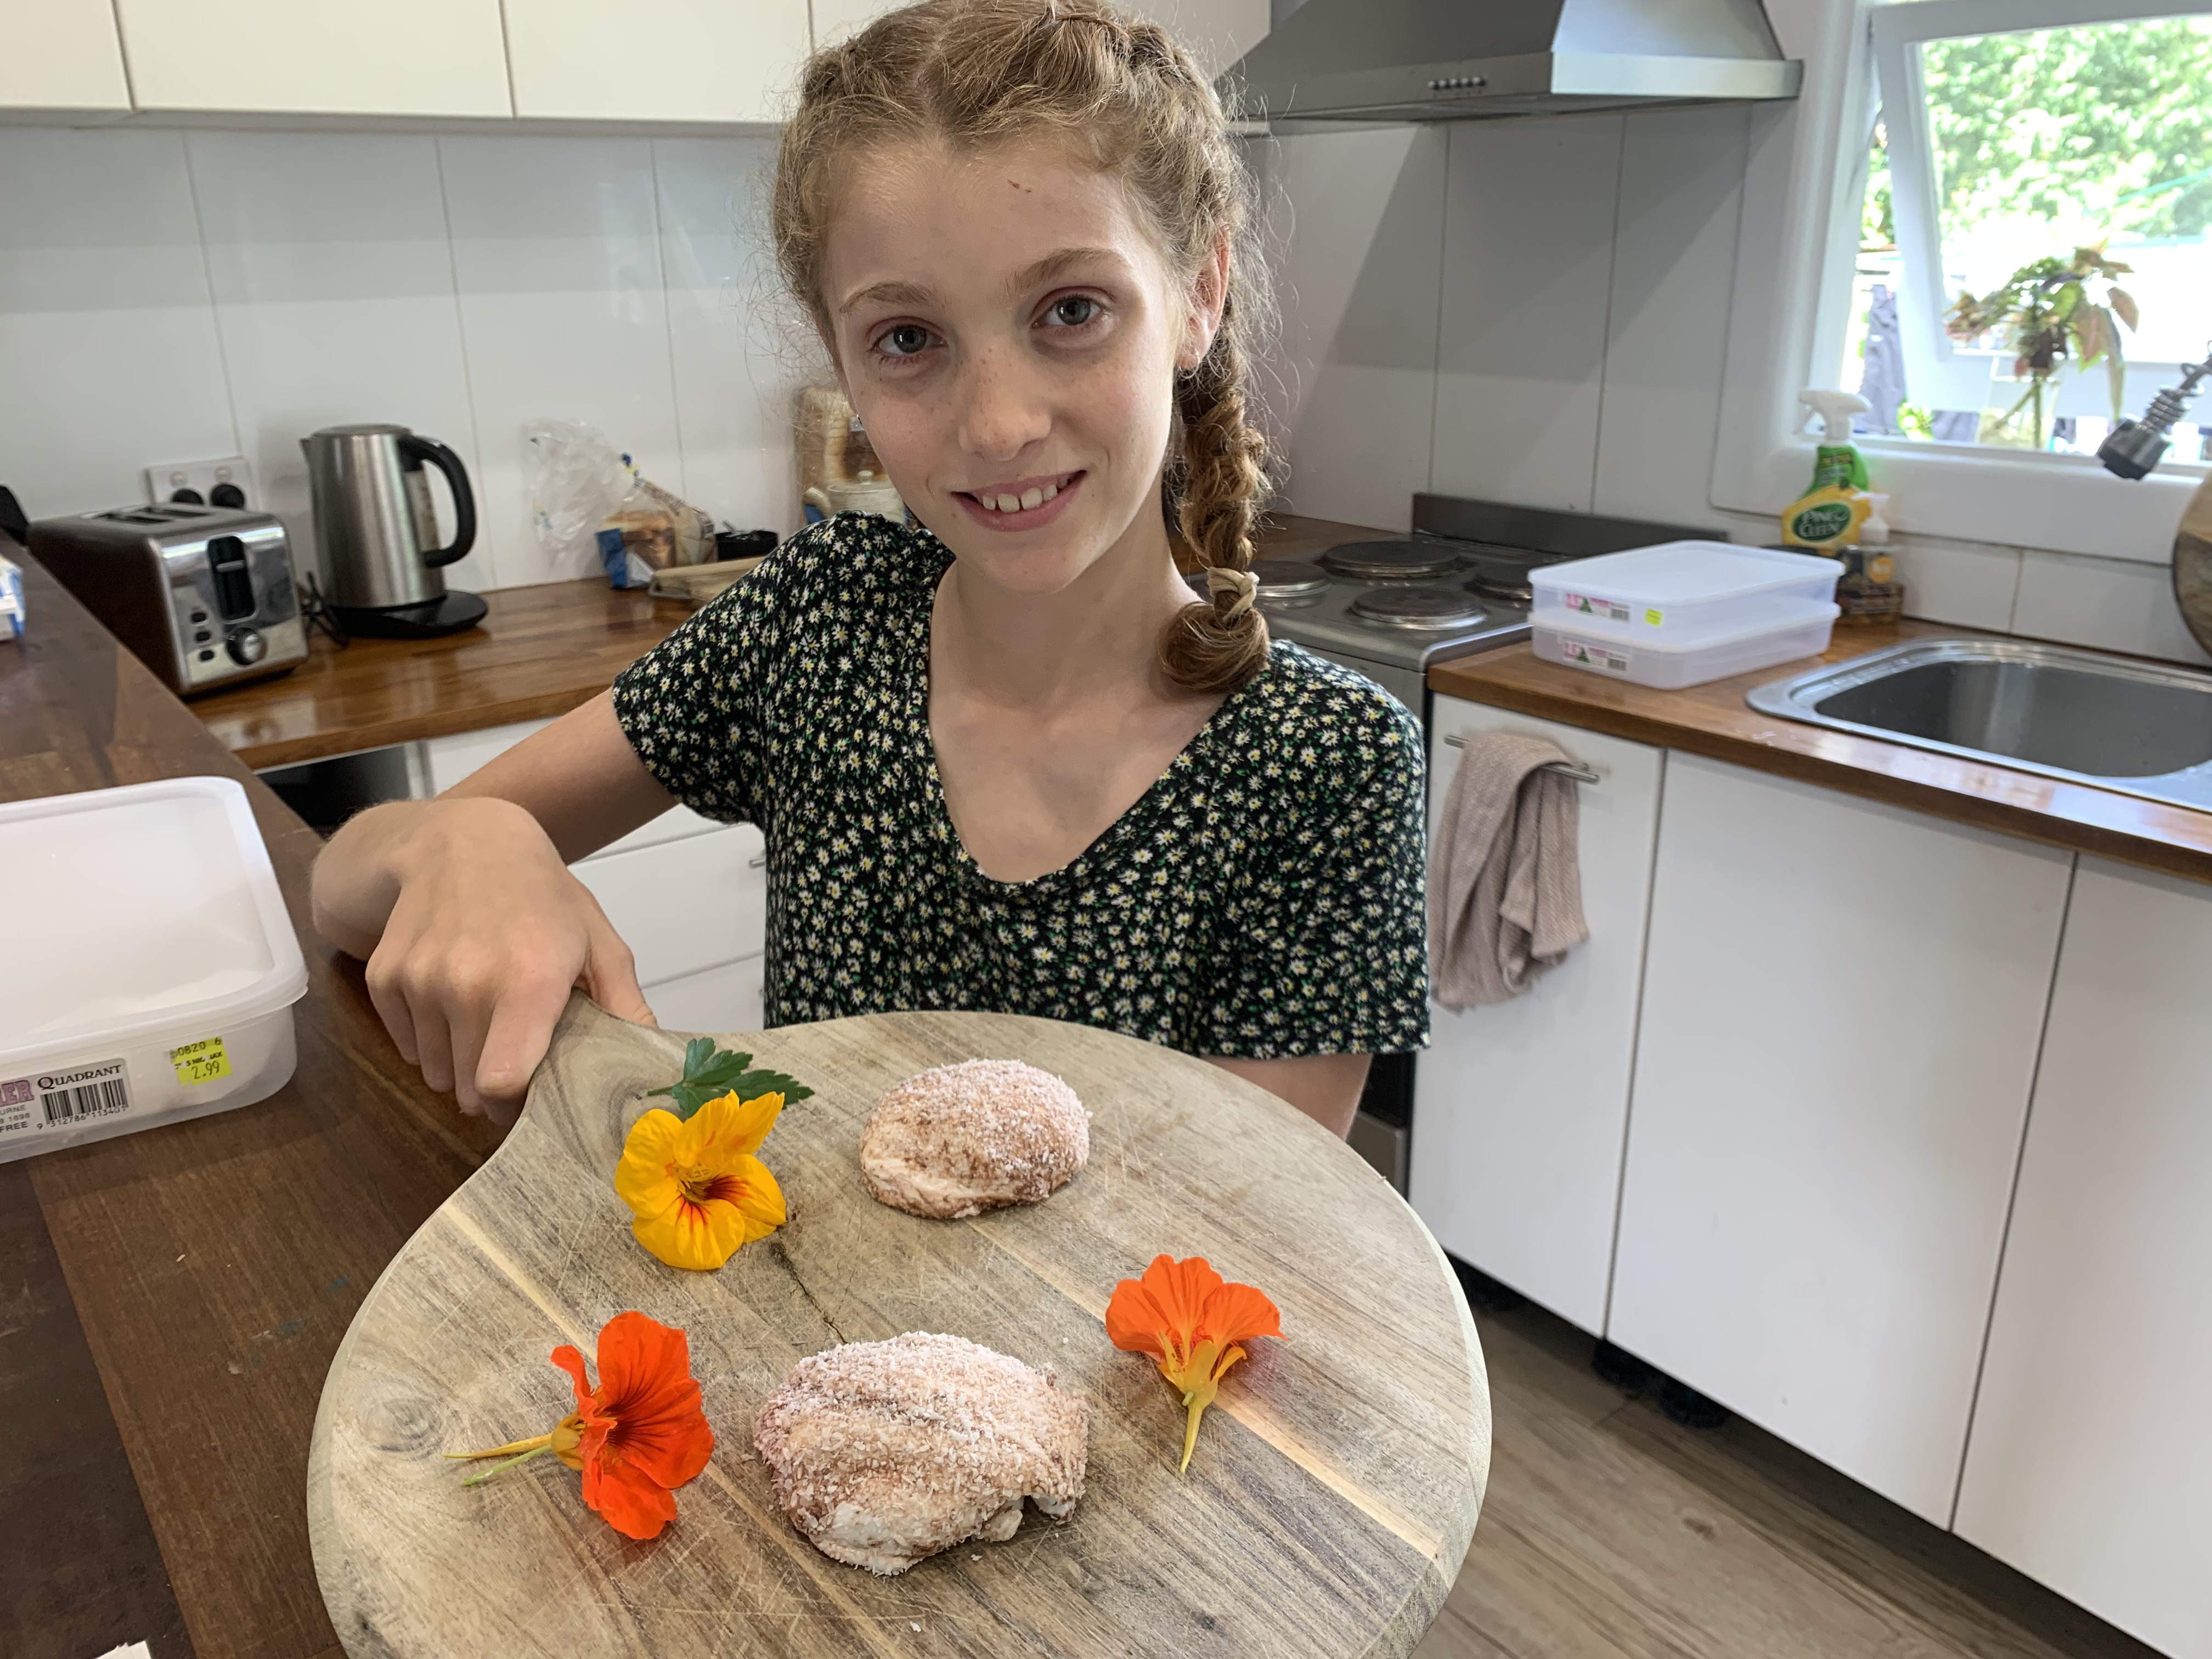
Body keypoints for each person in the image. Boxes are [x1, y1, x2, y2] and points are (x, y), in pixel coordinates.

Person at [311, 0, 1427, 1138]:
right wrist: (469, 837)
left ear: (1199, 295)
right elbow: (341, 887)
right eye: (909, 339)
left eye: (1071, 311)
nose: (995, 428)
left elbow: (1247, 1236)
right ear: (839, 348)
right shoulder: (827, 615)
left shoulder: (1325, 763)